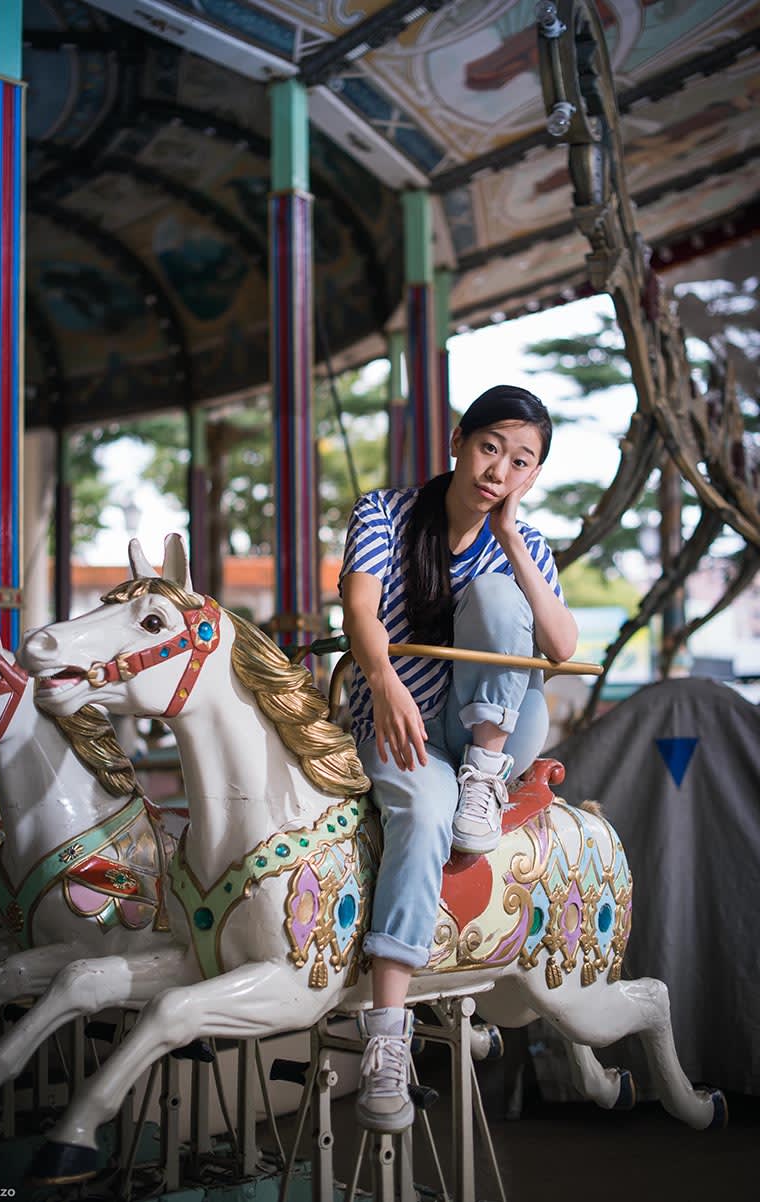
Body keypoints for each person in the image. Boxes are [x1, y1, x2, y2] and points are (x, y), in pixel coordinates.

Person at [339, 385, 577, 1134]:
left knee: (502, 599)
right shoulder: (385, 513)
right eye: (489, 448)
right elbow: (359, 607)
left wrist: (509, 538)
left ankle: (484, 774)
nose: (499, 470)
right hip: (402, 724)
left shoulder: (524, 540)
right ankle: (387, 1039)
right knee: (422, 812)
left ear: (532, 476)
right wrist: (383, 683)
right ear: (458, 442)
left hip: (496, 731)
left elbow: (563, 647)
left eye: (521, 461)